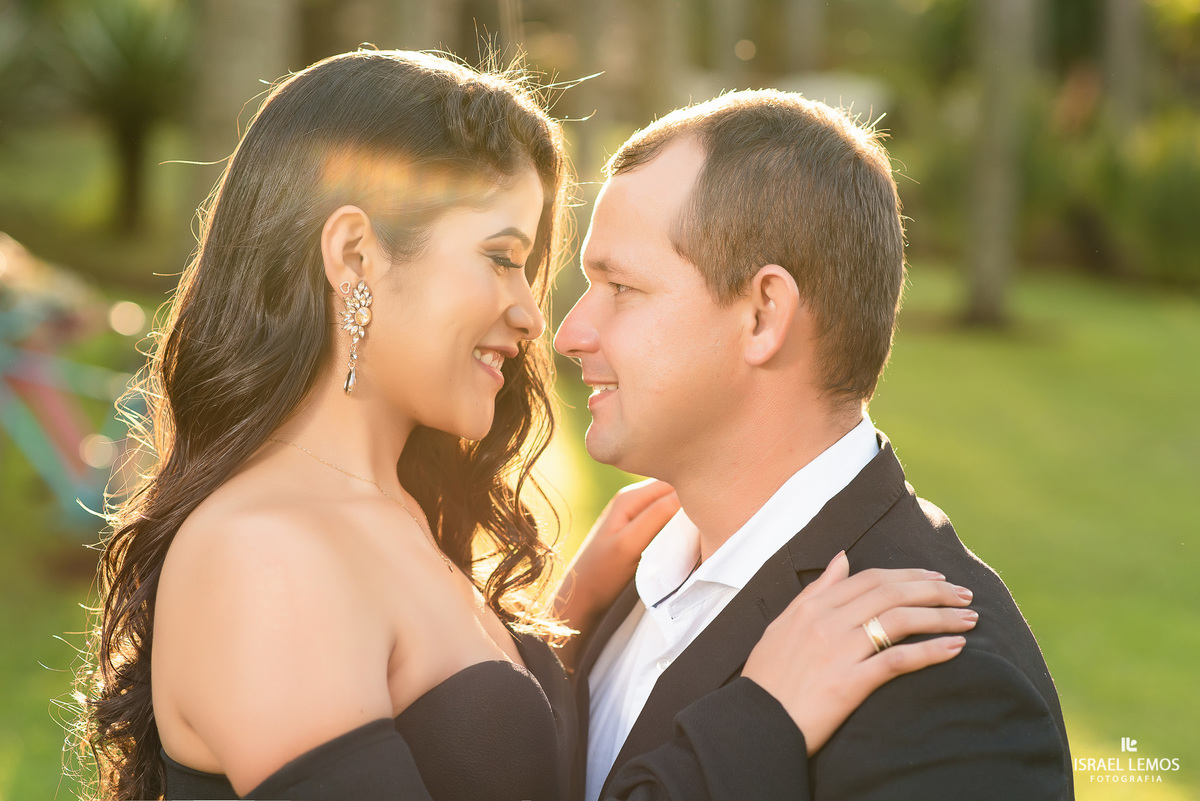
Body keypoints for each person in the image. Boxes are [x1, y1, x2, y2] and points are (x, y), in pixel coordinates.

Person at [84, 51, 975, 801]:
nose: (534, 316)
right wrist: (763, 715)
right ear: (355, 255)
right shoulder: (266, 554)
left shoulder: (386, 514)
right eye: (503, 259)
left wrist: (562, 636)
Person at [554, 90, 1074, 801]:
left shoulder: (939, 679)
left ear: (764, 314)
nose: (571, 334)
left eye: (620, 286)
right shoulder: (620, 583)